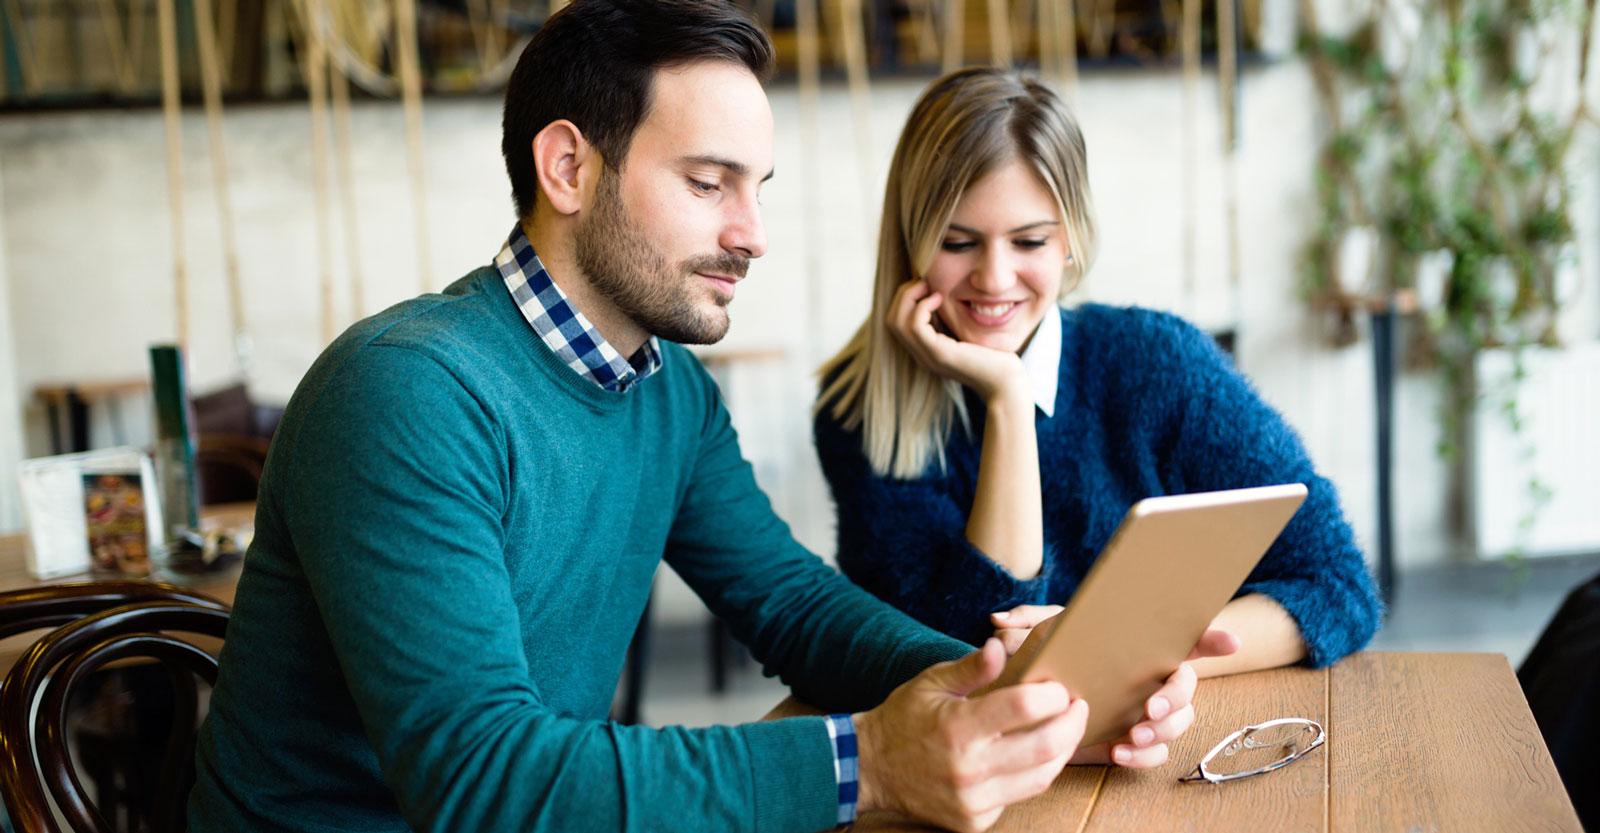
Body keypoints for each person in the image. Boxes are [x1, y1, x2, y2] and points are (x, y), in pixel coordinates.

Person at [187, 6, 1226, 833]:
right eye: (707, 183)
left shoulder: (666, 389)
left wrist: (1015, 688)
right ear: (568, 168)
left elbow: (795, 608)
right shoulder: (406, 392)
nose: (753, 233)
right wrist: (874, 761)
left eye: (757, 189)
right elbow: (480, 779)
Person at [814, 67, 1382, 687]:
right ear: (911, 241)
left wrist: (1137, 659)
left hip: (1179, 731)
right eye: (958, 243)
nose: (995, 278)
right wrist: (1008, 399)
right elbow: (963, 656)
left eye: (1029, 241)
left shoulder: (1154, 362)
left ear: (1071, 240)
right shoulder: (859, 413)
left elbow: (1337, 585)